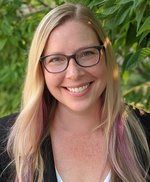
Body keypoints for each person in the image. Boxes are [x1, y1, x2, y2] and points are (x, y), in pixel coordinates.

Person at [0, 3, 150, 182]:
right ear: (40, 69)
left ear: (106, 55)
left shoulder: (146, 132)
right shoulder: (4, 142)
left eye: (86, 53)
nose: (74, 73)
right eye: (56, 59)